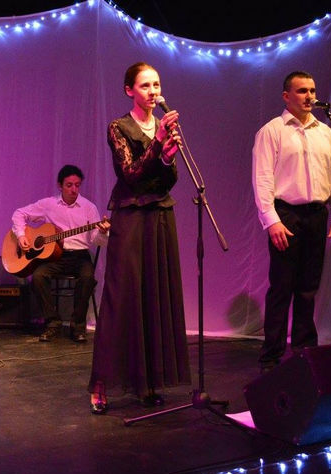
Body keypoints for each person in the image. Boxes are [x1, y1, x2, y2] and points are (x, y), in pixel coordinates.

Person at [87, 62, 191, 415]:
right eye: (145, 85)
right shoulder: (119, 127)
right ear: (129, 90)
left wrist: (167, 157)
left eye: (156, 85)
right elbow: (130, 173)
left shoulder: (162, 126)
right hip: (131, 216)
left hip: (160, 215)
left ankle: (148, 383)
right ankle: (101, 383)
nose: (153, 91)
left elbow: (168, 180)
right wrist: (158, 143)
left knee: (153, 295)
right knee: (122, 298)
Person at [252, 71, 331, 369]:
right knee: (282, 287)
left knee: (308, 288)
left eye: (312, 90)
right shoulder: (272, 131)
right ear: (286, 96)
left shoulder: (325, 132)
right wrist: (272, 221)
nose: (310, 96)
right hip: (287, 215)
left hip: (317, 214)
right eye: (302, 91)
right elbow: (262, 179)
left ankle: (306, 352)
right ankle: (272, 356)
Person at [11, 165, 110, 343]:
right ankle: (52, 322)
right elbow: (19, 213)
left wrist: (102, 232)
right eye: (69, 185)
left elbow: (97, 240)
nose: (74, 190)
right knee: (38, 276)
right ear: (60, 185)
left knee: (87, 278)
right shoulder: (48, 205)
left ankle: (77, 326)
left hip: (80, 256)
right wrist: (21, 236)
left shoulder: (89, 207)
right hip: (55, 256)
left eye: (77, 185)